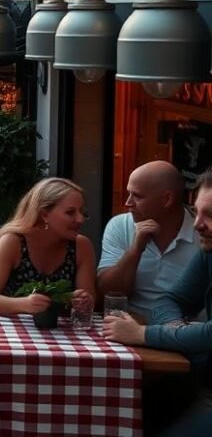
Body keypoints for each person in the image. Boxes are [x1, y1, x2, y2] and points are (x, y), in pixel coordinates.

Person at [105, 170, 212, 435]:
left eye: (210, 215)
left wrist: (143, 333)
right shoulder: (209, 250)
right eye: (197, 212)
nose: (198, 224)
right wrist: (175, 330)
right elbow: (171, 299)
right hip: (198, 375)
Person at [98, 160, 202, 322]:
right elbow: (109, 293)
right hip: (129, 325)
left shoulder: (202, 233)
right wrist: (135, 250)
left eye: (137, 196)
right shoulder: (120, 225)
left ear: (167, 199)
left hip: (185, 332)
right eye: (128, 193)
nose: (127, 203)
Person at [0, 178, 95, 318]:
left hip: (62, 334)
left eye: (82, 212)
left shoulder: (81, 246)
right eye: (70, 212)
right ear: (44, 214)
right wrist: (24, 304)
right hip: (12, 332)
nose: (80, 219)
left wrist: (84, 300)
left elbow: (89, 300)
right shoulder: (13, 242)